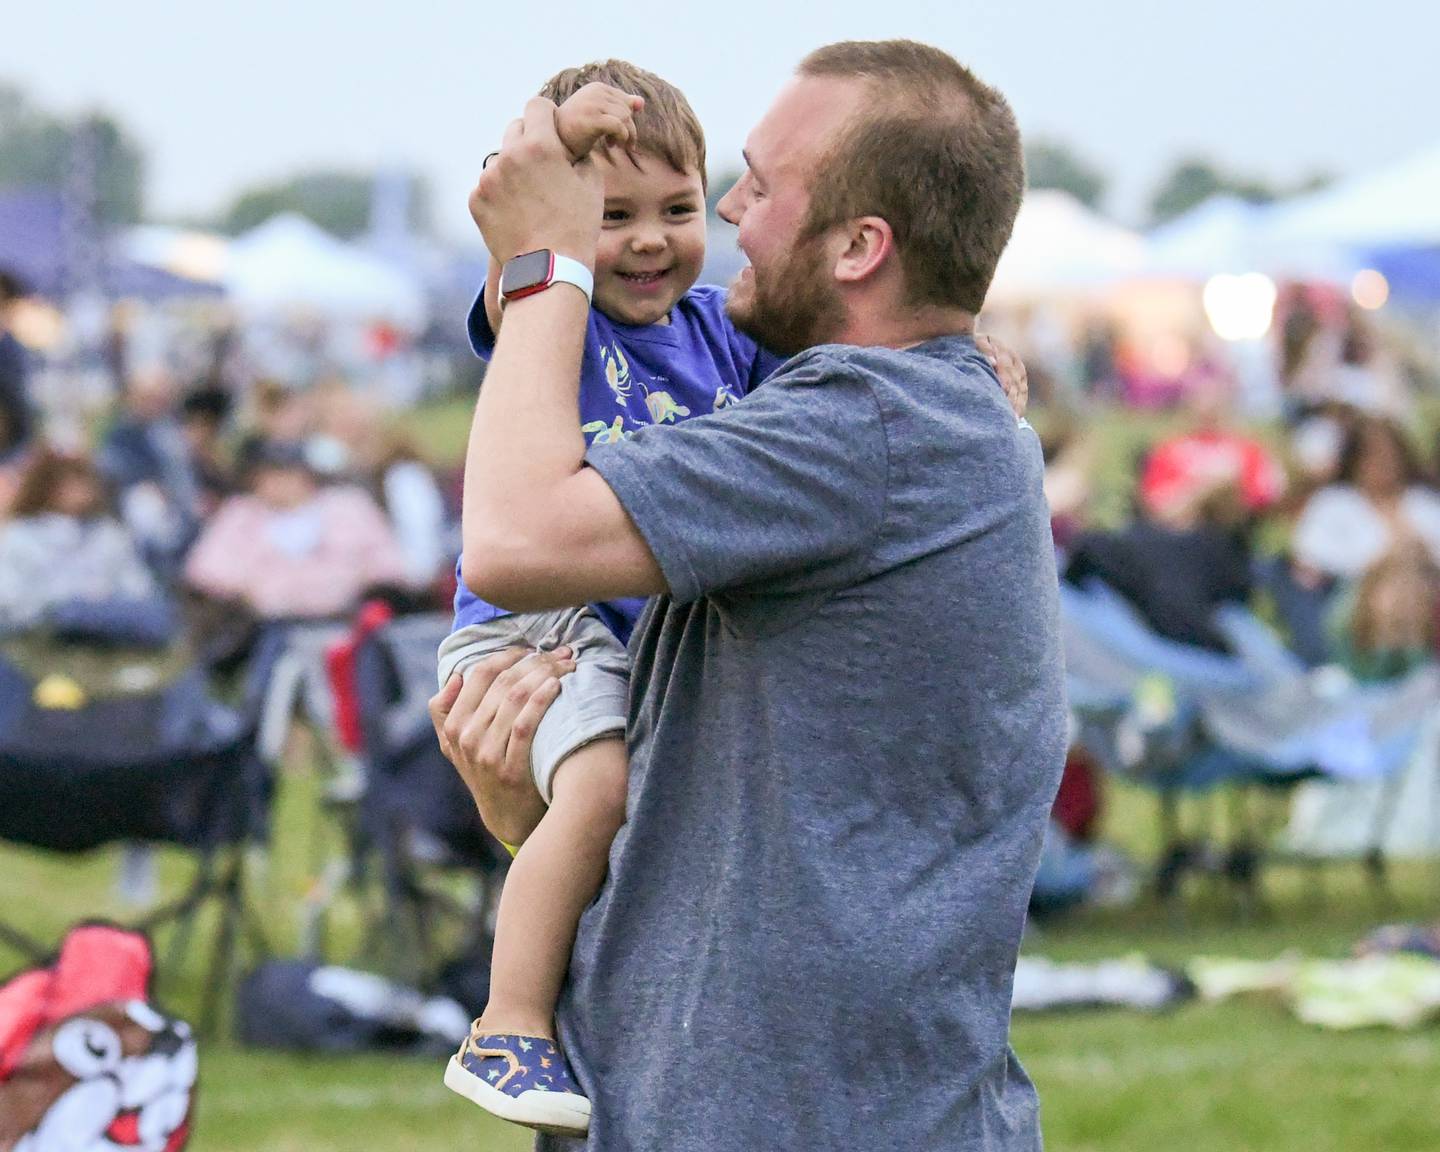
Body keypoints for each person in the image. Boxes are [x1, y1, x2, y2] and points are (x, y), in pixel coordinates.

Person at [432, 39, 1065, 1152]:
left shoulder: (867, 428)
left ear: (862, 246)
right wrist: (522, 807)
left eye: (762, 186)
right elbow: (738, 824)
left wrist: (546, 260)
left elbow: (511, 539)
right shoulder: (863, 425)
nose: (729, 211)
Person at [182, 439, 409, 621]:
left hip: (347, 614)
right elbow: (206, 571)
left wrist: (359, 583)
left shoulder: (347, 505)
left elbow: (388, 561)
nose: (278, 483)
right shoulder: (242, 514)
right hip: (269, 623)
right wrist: (251, 590)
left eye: (286, 473)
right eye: (269, 475)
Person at [0, 448, 163, 638]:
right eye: (70, 484)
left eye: (85, 482)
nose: (81, 491)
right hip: (51, 617)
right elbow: (10, 598)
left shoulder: (108, 533)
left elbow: (138, 588)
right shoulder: (21, 535)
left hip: (107, 615)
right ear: (48, 487)